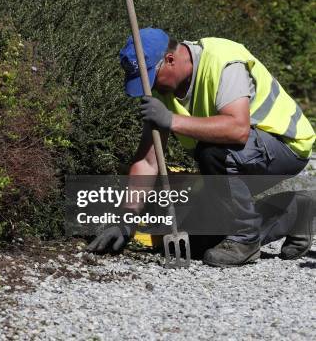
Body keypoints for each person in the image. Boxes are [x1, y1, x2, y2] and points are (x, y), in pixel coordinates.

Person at [87, 28, 315, 267]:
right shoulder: (159, 89)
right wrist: (127, 219)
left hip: (285, 146)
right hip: (236, 157)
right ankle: (296, 211)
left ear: (170, 60)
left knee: (213, 152)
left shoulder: (223, 61)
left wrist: (171, 120)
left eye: (153, 78)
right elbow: (147, 161)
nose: (151, 88)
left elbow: (237, 130)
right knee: (199, 242)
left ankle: (245, 239)